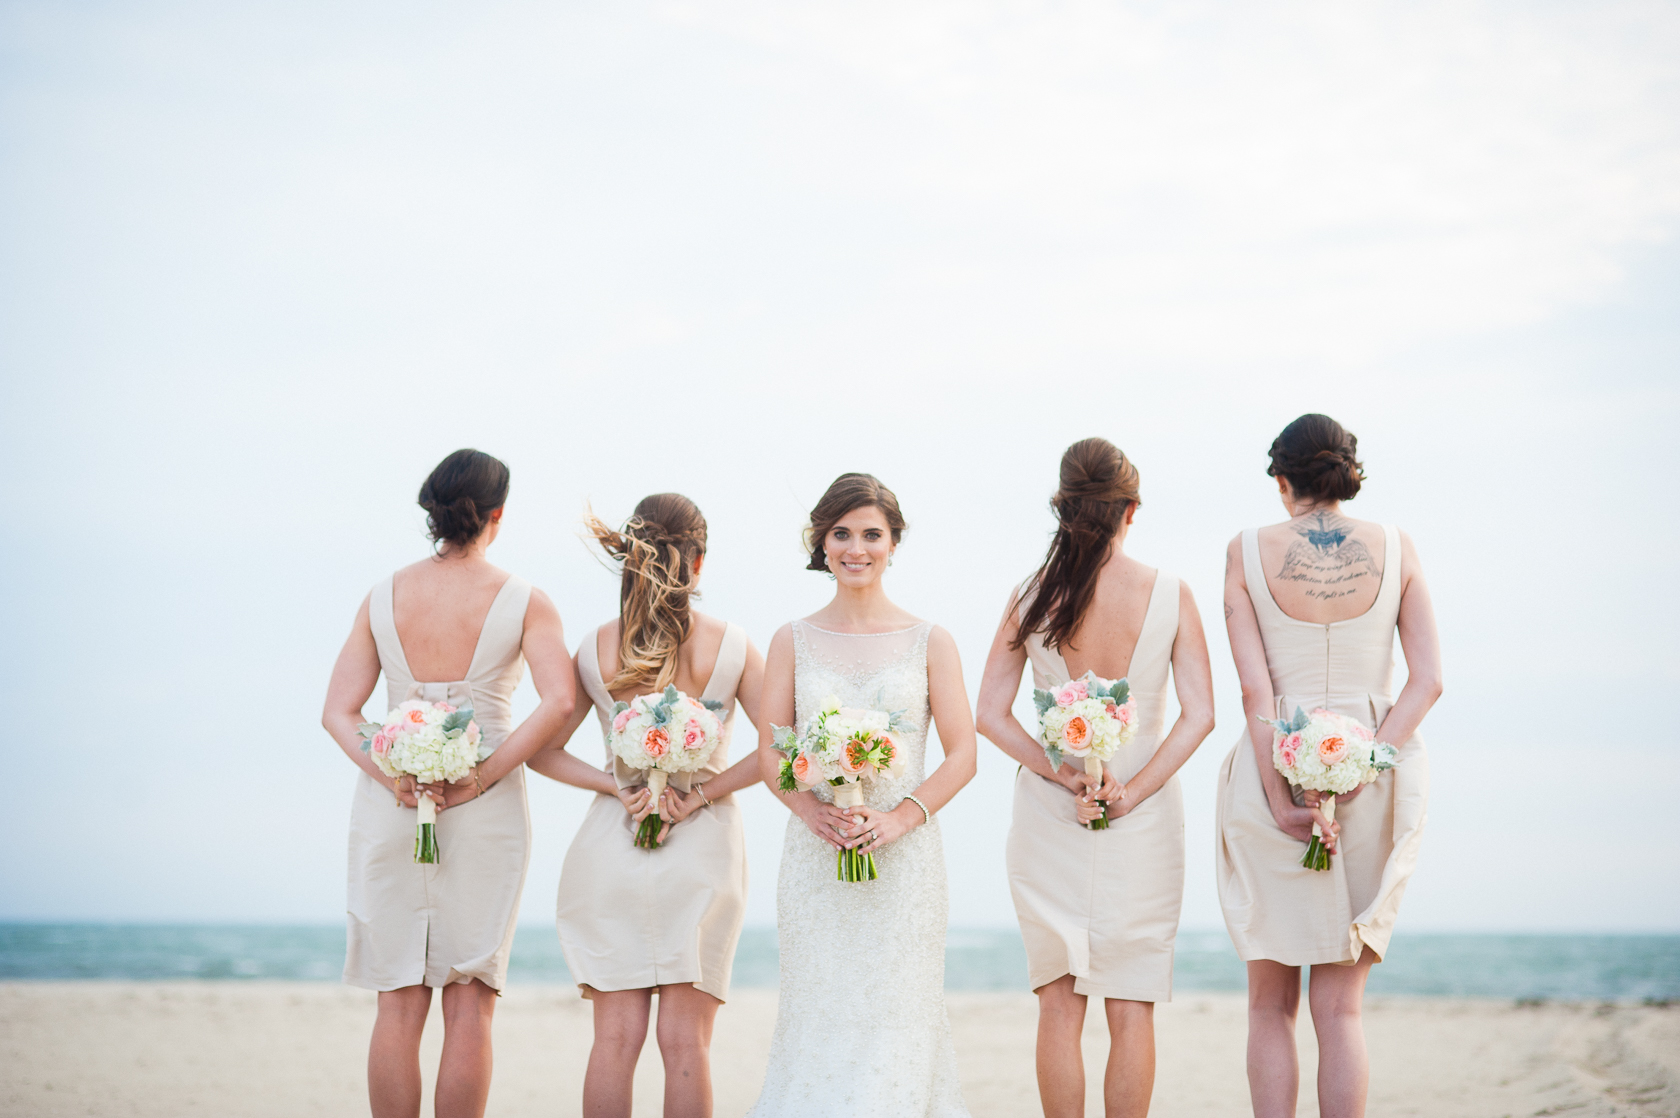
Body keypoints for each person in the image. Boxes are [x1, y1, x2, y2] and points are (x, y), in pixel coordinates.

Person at [321, 448, 575, 1118]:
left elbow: (337, 713)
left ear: (433, 510)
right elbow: (561, 703)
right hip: (484, 809)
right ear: (497, 514)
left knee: (397, 1002)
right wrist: (483, 776)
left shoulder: (382, 597)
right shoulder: (524, 599)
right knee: (470, 1003)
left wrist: (396, 778)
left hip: (392, 803)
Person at [976, 437, 1215, 1118]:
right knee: (1132, 1004)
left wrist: (1062, 775)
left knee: (1058, 1004)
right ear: (1130, 509)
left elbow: (990, 714)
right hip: (1143, 818)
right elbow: (1200, 715)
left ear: (1064, 505)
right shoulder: (1170, 594)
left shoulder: (1031, 594)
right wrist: (1132, 792)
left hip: (1052, 816)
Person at [1216, 414, 1441, 1118]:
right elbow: (1427, 681)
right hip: (1376, 773)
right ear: (1347, 474)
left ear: (1281, 481)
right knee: (1341, 1010)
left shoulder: (1246, 549)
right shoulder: (1397, 547)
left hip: (1270, 768)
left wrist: (1282, 795)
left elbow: (1256, 692)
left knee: (1269, 1004)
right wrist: (1367, 765)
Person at [746, 473, 977, 1118]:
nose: (857, 548)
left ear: (894, 543)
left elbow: (963, 754)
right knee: (819, 1018)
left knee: (900, 1024)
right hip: (817, 863)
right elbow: (773, 752)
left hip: (905, 869)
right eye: (841, 534)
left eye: (872, 534)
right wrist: (810, 809)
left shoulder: (932, 641)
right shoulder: (790, 639)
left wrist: (902, 820)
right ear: (821, 544)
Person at [529, 493, 765, 1118]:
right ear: (699, 562)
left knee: (614, 1041)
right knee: (686, 1043)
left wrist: (616, 787)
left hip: (615, 843)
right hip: (705, 845)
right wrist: (704, 792)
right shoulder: (733, 645)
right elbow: (783, 752)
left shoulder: (594, 648)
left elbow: (542, 751)